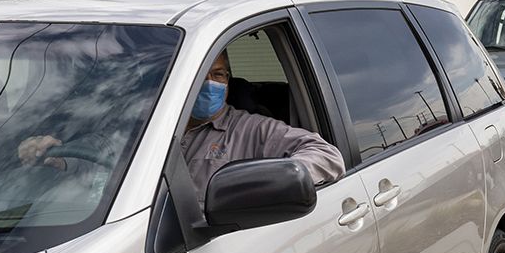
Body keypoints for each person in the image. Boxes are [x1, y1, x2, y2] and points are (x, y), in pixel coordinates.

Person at [20, 50, 345, 192]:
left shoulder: (252, 129)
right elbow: (105, 167)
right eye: (200, 76)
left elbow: (327, 156)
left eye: (218, 75)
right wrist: (58, 159)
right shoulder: (146, 127)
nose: (210, 84)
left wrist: (277, 180)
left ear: (229, 81)